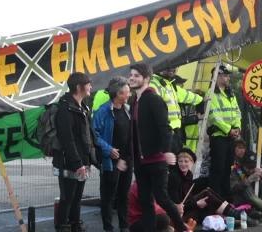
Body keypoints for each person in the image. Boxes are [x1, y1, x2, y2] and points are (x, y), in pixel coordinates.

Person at [128, 63, 190, 232]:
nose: (132, 78)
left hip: (156, 159)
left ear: (146, 79)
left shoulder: (154, 99)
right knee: (145, 201)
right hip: (140, 162)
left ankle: (181, 228)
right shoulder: (135, 101)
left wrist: (168, 151)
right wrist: (129, 157)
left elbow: (165, 128)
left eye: (136, 75)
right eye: (131, 75)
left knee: (162, 198)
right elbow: (134, 133)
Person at [53, 72, 98, 232]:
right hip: (69, 162)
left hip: (82, 161)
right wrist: (78, 163)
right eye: (88, 83)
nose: (91, 86)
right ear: (79, 87)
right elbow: (68, 140)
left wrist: (89, 160)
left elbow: (87, 136)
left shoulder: (82, 107)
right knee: (67, 197)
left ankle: (75, 224)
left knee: (77, 196)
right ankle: (63, 226)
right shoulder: (65, 109)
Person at [167, 148, 256, 226]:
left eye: (186, 161)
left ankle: (235, 217)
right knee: (207, 195)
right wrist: (197, 203)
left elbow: (189, 197)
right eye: (180, 161)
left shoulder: (188, 175)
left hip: (189, 209)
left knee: (208, 192)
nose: (183, 164)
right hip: (180, 214)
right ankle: (237, 215)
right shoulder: (175, 178)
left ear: (192, 163)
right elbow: (177, 205)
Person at [92, 78, 133, 232]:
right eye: (125, 92)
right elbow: (94, 134)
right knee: (108, 196)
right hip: (110, 160)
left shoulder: (127, 109)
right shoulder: (103, 110)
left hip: (127, 160)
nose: (128, 95)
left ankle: (124, 226)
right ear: (116, 93)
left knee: (124, 195)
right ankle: (108, 228)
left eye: (129, 92)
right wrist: (108, 150)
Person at [207, 65, 242, 200]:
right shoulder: (211, 93)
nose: (228, 78)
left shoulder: (230, 93)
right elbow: (214, 116)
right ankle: (215, 199)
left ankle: (226, 199)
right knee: (218, 169)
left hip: (230, 137)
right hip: (219, 137)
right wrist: (229, 130)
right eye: (225, 75)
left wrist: (237, 127)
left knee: (228, 169)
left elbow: (237, 112)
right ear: (218, 76)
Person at [230, 151, 262, 222]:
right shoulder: (237, 171)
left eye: (253, 167)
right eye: (248, 168)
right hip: (244, 201)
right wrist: (249, 180)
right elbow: (233, 188)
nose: (251, 170)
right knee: (245, 188)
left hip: (261, 199)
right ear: (243, 165)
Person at [150, 67, 184, 153]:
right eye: (170, 66)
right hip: (167, 131)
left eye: (176, 66)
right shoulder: (154, 83)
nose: (174, 68)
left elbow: (186, 95)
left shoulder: (169, 83)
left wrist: (202, 99)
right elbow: (155, 111)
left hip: (174, 130)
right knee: (169, 162)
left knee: (175, 161)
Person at [172, 75, 205, 152]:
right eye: (181, 84)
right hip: (180, 137)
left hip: (186, 138)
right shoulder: (176, 100)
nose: (183, 86)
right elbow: (181, 120)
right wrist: (196, 117)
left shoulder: (185, 100)